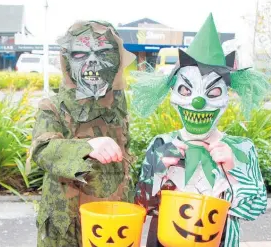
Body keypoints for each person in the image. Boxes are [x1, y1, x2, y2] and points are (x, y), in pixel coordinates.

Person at [132, 14, 269, 247]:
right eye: (186, 90)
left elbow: (254, 210)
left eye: (213, 93)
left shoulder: (242, 148)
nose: (198, 102)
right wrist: (157, 172)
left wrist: (234, 173)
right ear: (173, 95)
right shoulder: (161, 144)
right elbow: (141, 208)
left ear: (226, 98)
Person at [27, 20, 135, 247]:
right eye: (79, 54)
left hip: (110, 218)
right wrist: (88, 146)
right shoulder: (54, 107)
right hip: (66, 221)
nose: (92, 62)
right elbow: (42, 149)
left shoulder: (118, 108)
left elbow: (125, 154)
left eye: (104, 52)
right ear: (67, 61)